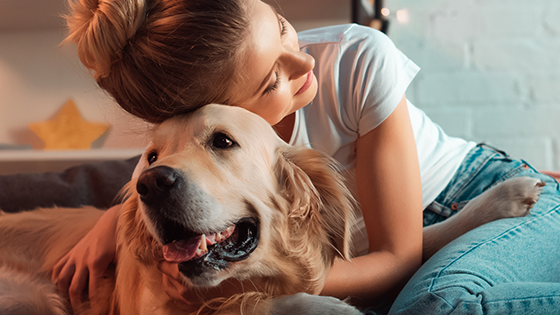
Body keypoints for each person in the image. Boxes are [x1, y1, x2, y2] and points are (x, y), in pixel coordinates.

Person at [53, 0, 560, 313]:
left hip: (475, 196)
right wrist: (112, 224)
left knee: (440, 306)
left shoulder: (355, 59)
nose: (303, 60)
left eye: (281, 26)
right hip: (366, 259)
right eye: (271, 78)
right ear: (210, 106)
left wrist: (241, 284)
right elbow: (152, 188)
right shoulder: (187, 145)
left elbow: (397, 256)